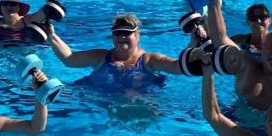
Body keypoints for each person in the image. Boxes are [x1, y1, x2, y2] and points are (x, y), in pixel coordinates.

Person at [45, 12, 187, 91]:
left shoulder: (150, 60)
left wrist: (194, 46)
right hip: (100, 108)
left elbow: (179, 67)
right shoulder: (101, 57)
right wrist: (51, 36)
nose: (122, 37)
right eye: (118, 33)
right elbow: (70, 59)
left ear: (137, 35)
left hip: (139, 107)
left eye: (127, 33)